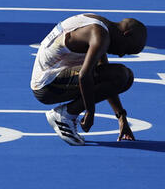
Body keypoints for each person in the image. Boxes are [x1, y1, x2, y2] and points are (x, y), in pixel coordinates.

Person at [31, 13, 147, 146]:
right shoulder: (99, 35)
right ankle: (65, 115)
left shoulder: (102, 28)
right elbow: (85, 75)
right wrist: (89, 113)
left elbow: (106, 77)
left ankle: (67, 113)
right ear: (126, 34)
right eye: (126, 50)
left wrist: (121, 117)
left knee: (124, 77)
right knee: (122, 75)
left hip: (49, 79)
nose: (121, 54)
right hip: (46, 85)